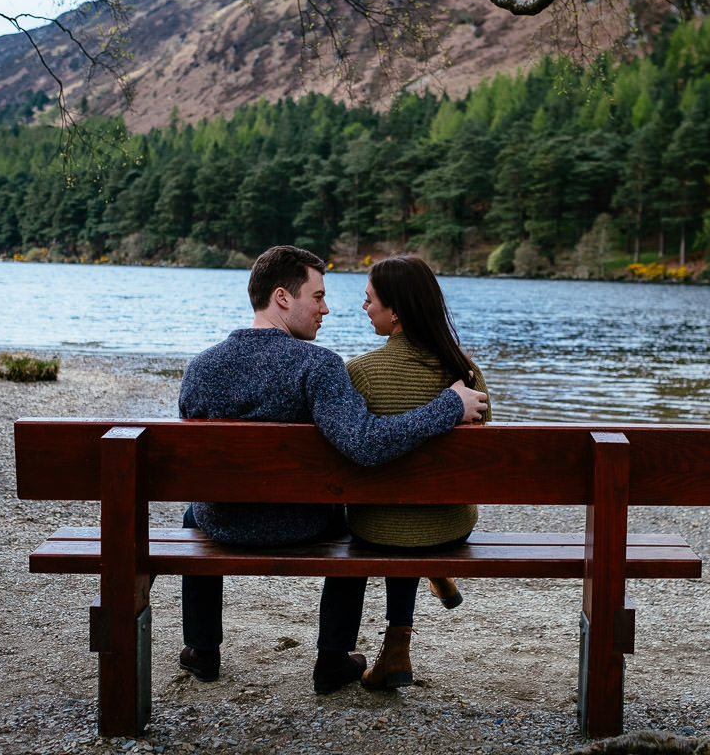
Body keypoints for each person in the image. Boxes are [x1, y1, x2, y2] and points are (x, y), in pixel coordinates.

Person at [177, 245, 487, 695]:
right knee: (352, 525)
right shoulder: (318, 365)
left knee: (193, 515)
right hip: (303, 525)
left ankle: (202, 649)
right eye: (318, 297)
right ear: (283, 297)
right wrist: (448, 406)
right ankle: (333, 658)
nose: (326, 309)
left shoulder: (201, 367)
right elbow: (365, 443)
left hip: (221, 522)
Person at [330, 254, 491, 690]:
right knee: (415, 521)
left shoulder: (359, 373)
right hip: (451, 527)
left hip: (377, 527)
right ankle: (432, 576)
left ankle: (398, 647)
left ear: (396, 311)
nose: (364, 307)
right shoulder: (465, 373)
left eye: (369, 299)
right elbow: (482, 450)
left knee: (397, 524)